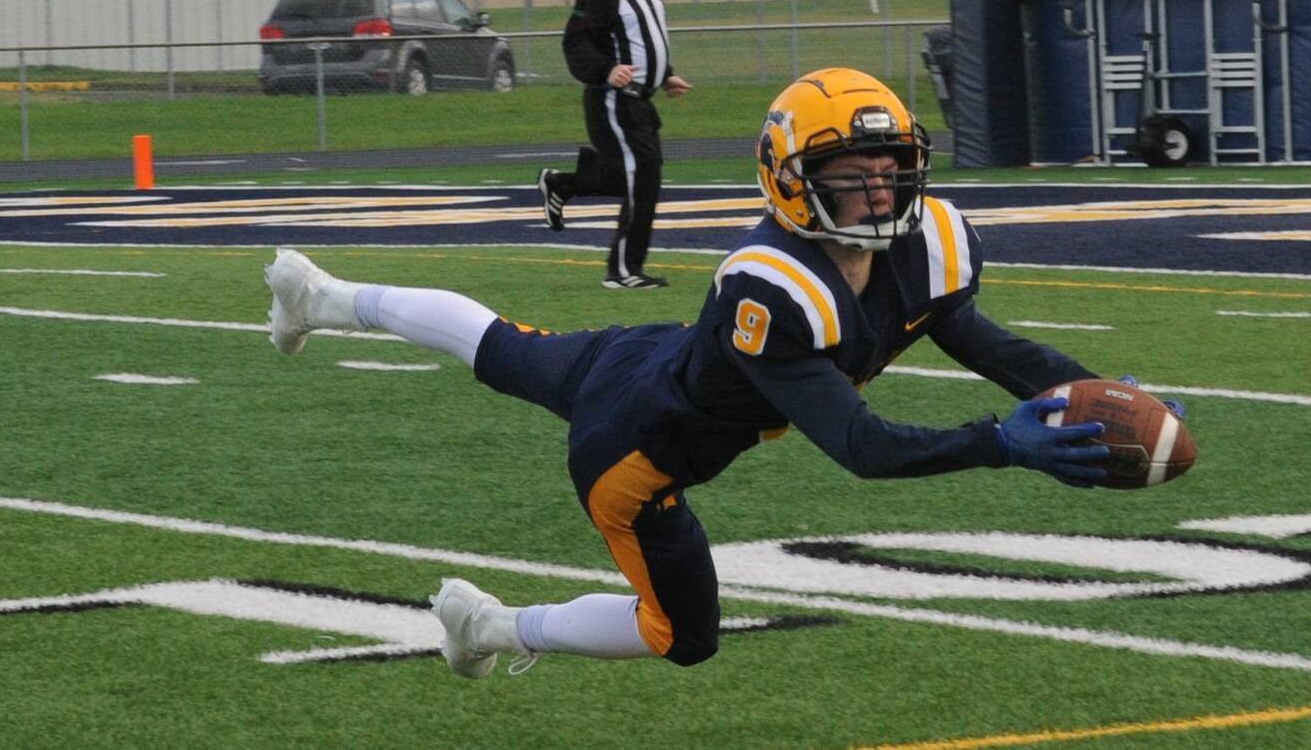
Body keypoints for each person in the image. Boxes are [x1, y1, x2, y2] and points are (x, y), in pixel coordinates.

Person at [264, 67, 1162, 677]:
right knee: (683, 637)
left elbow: (987, 344)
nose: (881, 192)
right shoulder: (773, 287)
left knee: (497, 345)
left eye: (891, 170)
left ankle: (319, 294)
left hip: (654, 353)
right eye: (852, 175)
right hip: (639, 449)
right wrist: (999, 446)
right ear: (792, 181)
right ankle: (490, 627)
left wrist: (1095, 391)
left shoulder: (925, 245)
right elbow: (861, 446)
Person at [537, 0, 691, 289]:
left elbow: (643, 37)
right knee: (643, 176)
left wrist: (665, 74)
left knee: (638, 177)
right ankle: (622, 271)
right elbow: (575, 42)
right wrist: (605, 70)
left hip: (642, 100)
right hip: (613, 100)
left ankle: (565, 184)